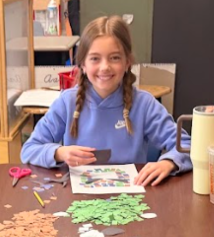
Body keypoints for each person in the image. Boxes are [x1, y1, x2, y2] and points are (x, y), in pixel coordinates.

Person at [20, 15, 192, 186]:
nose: (105, 67)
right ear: (83, 65)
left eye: (115, 58)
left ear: (127, 63)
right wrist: (59, 152)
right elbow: (29, 149)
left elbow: (187, 145)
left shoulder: (144, 104)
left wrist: (168, 162)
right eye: (95, 58)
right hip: (77, 201)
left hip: (132, 200)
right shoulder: (67, 102)